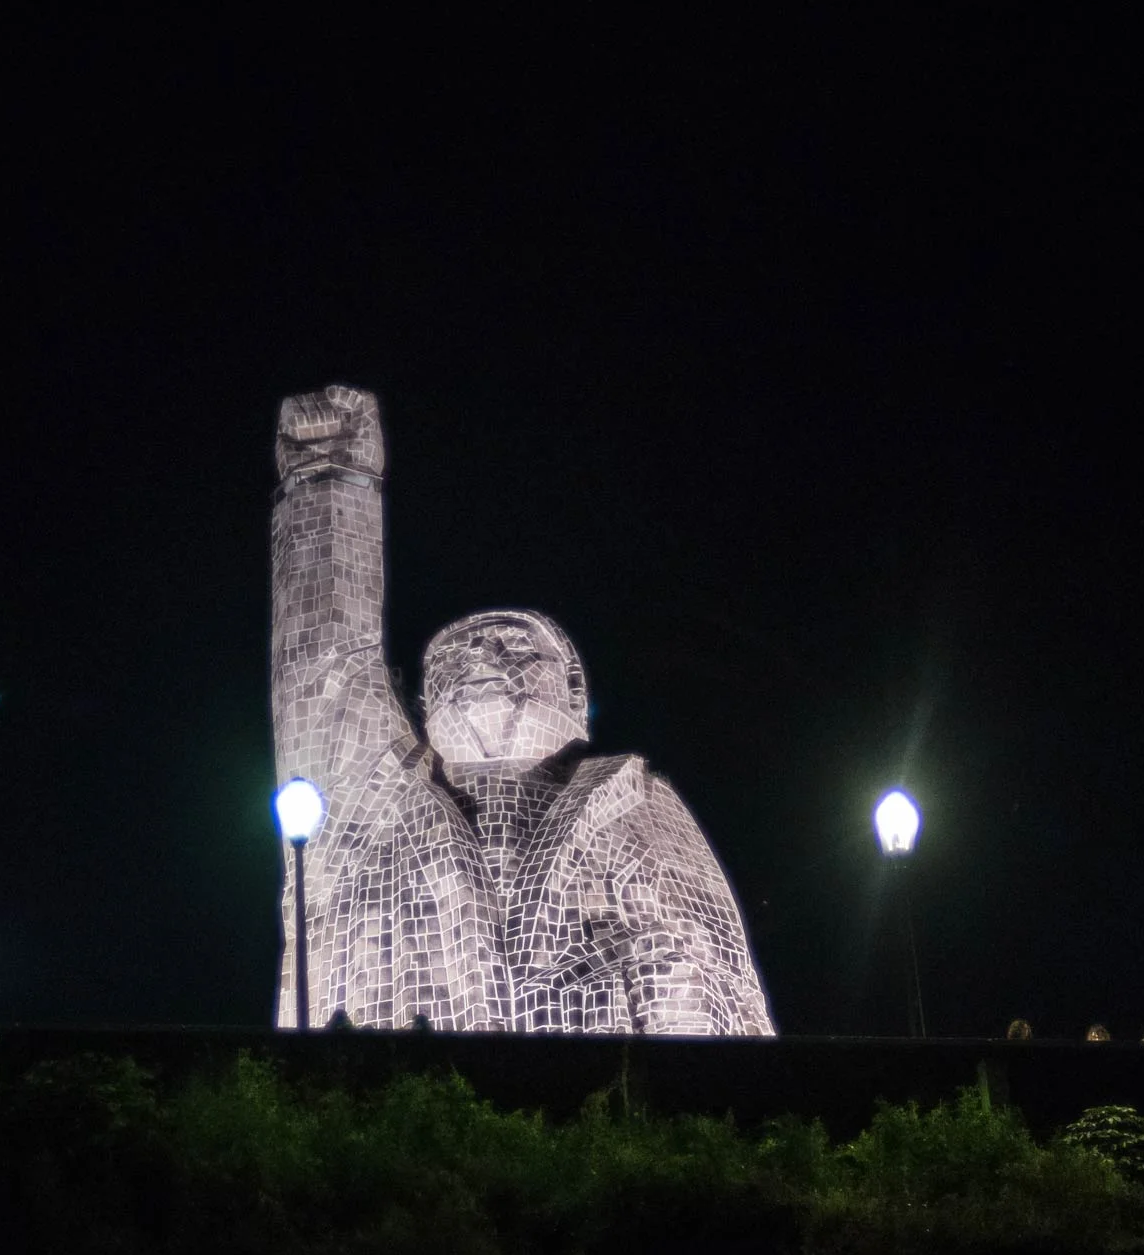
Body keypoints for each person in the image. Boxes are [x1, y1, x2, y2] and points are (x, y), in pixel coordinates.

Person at [269, 386, 772, 1036]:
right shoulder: (381, 797)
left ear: (572, 689)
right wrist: (327, 473)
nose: (482, 654)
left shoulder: (633, 800)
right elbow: (324, 674)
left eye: (512, 643)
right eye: (456, 653)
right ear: (424, 703)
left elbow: (712, 976)